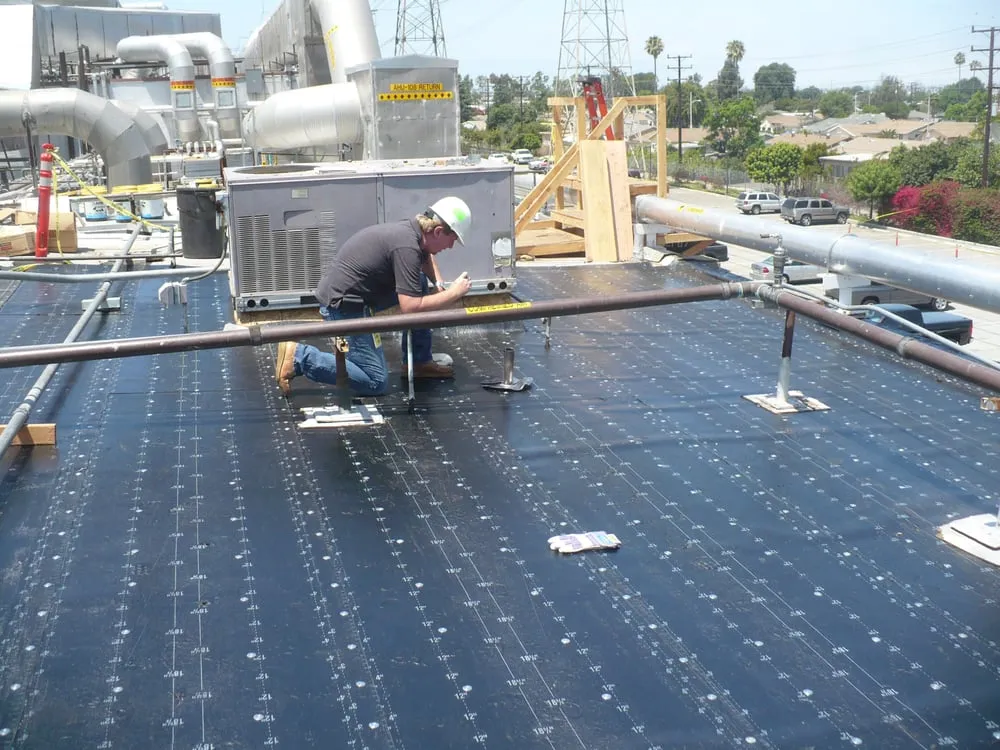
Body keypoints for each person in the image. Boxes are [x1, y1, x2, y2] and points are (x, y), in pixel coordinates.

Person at [274, 196, 474, 397]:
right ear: (437, 231)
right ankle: (300, 357)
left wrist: (438, 284)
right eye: (453, 239)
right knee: (375, 381)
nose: (451, 246)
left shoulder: (413, 233)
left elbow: (426, 255)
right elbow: (411, 307)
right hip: (342, 308)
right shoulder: (407, 247)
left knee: (419, 282)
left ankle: (418, 362)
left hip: (354, 297)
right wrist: (453, 293)